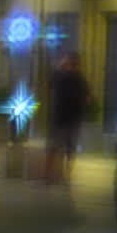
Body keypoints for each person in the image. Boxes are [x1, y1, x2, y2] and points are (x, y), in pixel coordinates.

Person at [45, 51, 90, 186]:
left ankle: (65, 177)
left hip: (70, 118)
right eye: (67, 62)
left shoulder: (79, 79)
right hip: (61, 118)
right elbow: (48, 86)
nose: (69, 66)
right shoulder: (60, 76)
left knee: (68, 149)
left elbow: (87, 99)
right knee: (56, 148)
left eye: (71, 63)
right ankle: (50, 177)